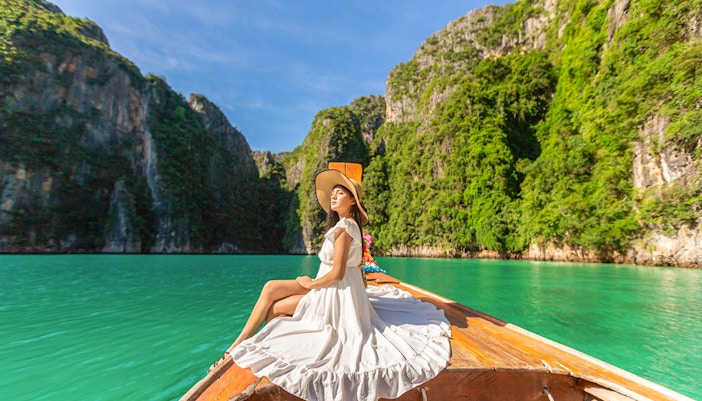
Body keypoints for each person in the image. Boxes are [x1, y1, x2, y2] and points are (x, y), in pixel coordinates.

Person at [212, 163, 451, 401]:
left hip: (335, 295)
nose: (333, 198)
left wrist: (310, 285)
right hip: (328, 287)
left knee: (275, 307)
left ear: (352, 202)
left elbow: (337, 274)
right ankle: (238, 346)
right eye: (333, 194)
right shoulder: (343, 225)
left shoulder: (346, 227)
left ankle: (245, 349)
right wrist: (311, 283)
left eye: (340, 194)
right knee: (271, 287)